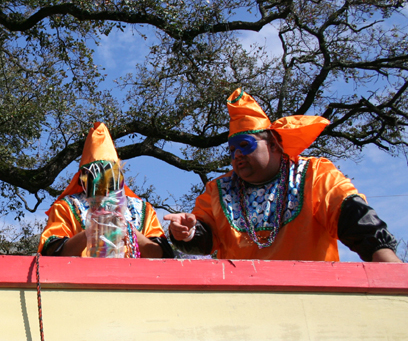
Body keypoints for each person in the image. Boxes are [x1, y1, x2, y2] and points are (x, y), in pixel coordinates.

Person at [165, 88, 400, 262]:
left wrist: (393, 276)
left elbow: (356, 220)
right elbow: (205, 238)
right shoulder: (218, 190)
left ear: (275, 145)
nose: (236, 155)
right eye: (232, 149)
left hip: (311, 297)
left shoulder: (314, 174)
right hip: (240, 298)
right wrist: (187, 233)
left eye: (245, 145)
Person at [38, 122, 174, 258]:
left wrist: (127, 228)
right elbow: (52, 254)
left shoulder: (140, 210)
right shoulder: (67, 207)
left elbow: (162, 256)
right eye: (94, 174)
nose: (102, 181)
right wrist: (91, 230)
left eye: (109, 173)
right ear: (83, 178)